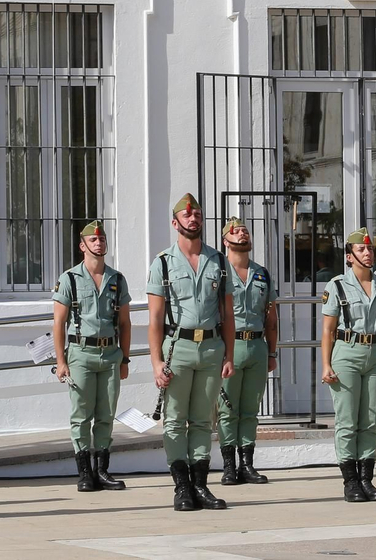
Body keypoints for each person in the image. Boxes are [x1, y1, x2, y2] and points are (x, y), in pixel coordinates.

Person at [146, 193, 236, 512]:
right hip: (178, 348)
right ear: (175, 223)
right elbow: (155, 318)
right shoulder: (162, 263)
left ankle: (200, 486)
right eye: (187, 215)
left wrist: (229, 355)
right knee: (174, 420)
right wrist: (156, 362)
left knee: (202, 421)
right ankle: (182, 488)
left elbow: (228, 314)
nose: (193, 218)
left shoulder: (219, 261)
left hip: (211, 348)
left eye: (197, 214)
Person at [53, 219, 132, 493]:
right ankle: (85, 473)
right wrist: (61, 362)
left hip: (110, 353)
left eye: (102, 239)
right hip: (81, 353)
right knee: (81, 415)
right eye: (93, 240)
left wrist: (125, 359)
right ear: (82, 246)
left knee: (106, 414)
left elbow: (125, 323)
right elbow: (59, 323)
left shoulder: (116, 279)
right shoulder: (69, 279)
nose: (99, 243)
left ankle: (102, 470)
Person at [321, 228, 376, 503]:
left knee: (370, 419)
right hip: (347, 352)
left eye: (370, 249)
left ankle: (367, 479)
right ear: (349, 256)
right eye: (361, 249)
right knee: (347, 420)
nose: (367, 253)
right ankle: (350, 481)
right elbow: (328, 330)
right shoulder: (337, 285)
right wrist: (326, 364)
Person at [218, 216, 276, 487]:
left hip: (256, 346)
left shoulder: (262, 273)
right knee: (228, 409)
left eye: (245, 231)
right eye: (236, 232)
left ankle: (247, 464)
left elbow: (271, 317)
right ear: (225, 241)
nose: (243, 235)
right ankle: (229, 466)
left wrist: (272, 352)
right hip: (229, 347)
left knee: (251, 409)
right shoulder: (219, 272)